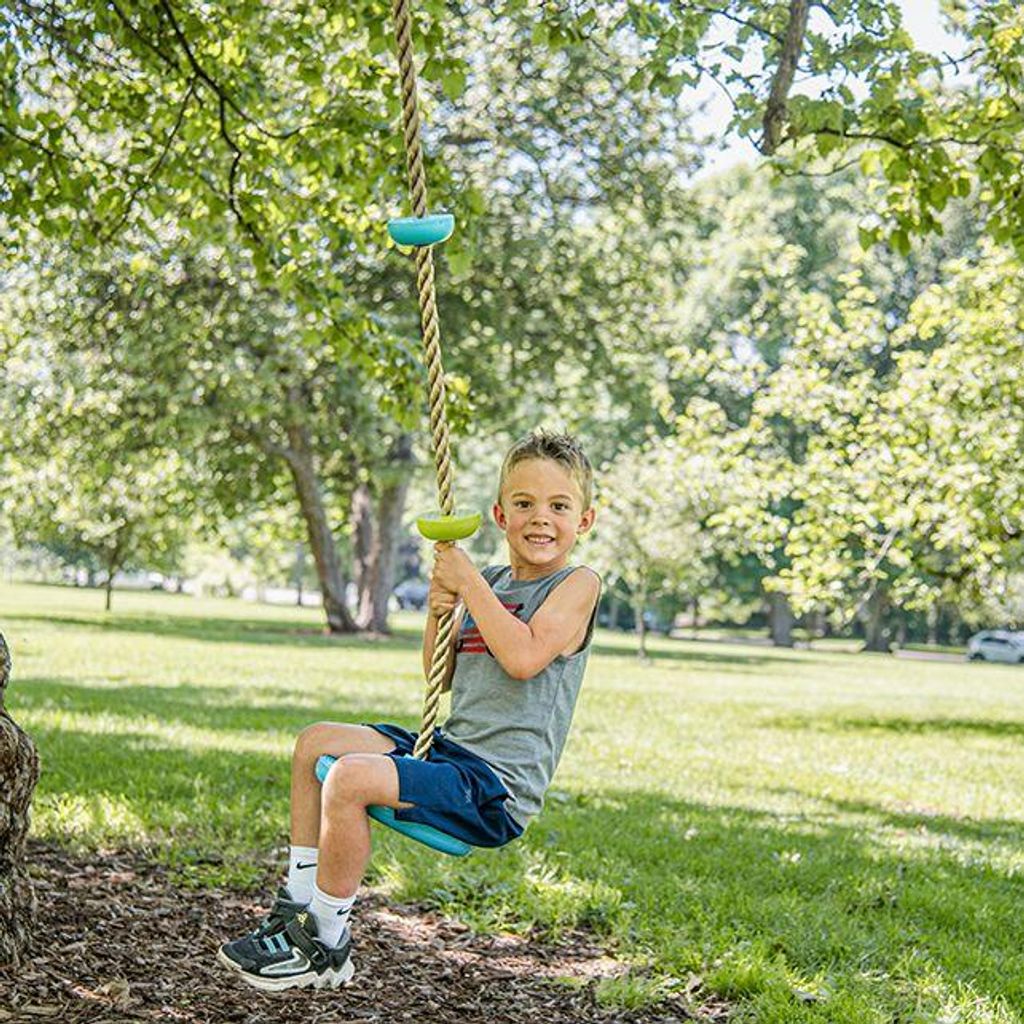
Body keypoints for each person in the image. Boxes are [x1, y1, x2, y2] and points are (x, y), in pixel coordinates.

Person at [217, 429, 601, 991]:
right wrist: (441, 608)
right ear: (500, 515)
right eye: (524, 503)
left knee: (349, 778)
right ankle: (294, 906)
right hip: (450, 753)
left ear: (584, 521)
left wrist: (467, 583)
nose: (540, 518)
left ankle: (324, 941)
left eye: (559, 506)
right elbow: (438, 675)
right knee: (315, 743)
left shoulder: (577, 585)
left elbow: (523, 659)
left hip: (494, 788)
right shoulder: (492, 583)